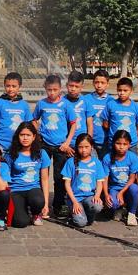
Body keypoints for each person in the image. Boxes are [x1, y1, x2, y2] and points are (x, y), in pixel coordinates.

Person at [32, 74, 77, 217]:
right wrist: (37, 135)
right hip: (44, 145)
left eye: (55, 90)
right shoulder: (41, 104)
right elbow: (34, 119)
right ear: (45, 88)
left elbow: (73, 124)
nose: (52, 93)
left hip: (60, 147)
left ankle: (58, 205)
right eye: (49, 90)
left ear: (60, 89)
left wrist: (67, 142)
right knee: (42, 174)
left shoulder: (66, 105)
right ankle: (40, 204)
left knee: (59, 177)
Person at [7, 121, 51, 228]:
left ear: (34, 137)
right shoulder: (10, 154)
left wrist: (45, 204)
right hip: (16, 191)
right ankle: (23, 208)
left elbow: (45, 180)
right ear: (18, 136)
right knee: (20, 222)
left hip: (33, 189)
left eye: (28, 135)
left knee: (38, 201)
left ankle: (36, 213)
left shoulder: (42, 154)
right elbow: (6, 180)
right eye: (22, 135)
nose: (25, 138)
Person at [62, 133, 107, 227]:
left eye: (87, 147)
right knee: (81, 223)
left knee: (97, 206)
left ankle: (87, 215)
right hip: (75, 198)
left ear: (92, 147)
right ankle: (73, 214)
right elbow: (67, 184)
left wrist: (97, 195)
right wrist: (74, 202)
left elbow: (99, 182)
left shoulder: (96, 162)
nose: (84, 150)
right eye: (80, 147)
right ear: (76, 147)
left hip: (89, 197)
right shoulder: (70, 162)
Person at [102, 130, 138, 226]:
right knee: (112, 204)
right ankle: (119, 209)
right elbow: (105, 178)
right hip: (114, 188)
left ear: (129, 145)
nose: (121, 147)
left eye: (125, 144)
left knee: (135, 188)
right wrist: (106, 194)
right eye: (118, 143)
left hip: (128, 187)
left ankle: (132, 213)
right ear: (113, 143)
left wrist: (121, 193)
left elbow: (132, 178)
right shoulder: (107, 158)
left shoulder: (133, 157)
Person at [0, 72, 33, 154]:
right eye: (8, 86)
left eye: (14, 86)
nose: (10, 89)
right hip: (2, 146)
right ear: (4, 86)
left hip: (19, 146)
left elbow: (28, 125)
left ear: (19, 87)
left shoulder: (24, 105)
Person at [103, 78, 138, 151]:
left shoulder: (136, 106)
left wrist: (136, 137)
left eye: (125, 91)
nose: (122, 93)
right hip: (114, 142)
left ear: (131, 91)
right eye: (119, 90)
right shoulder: (111, 104)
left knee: (131, 161)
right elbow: (105, 124)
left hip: (131, 144)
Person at [84, 69, 112, 157]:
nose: (99, 85)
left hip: (106, 141)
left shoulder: (111, 101)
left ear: (108, 84)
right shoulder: (85, 99)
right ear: (93, 83)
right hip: (90, 141)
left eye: (102, 83)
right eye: (97, 82)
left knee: (105, 168)